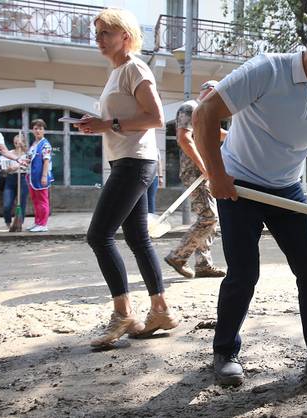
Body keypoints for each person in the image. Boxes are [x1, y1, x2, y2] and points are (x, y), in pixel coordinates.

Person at [194, 19, 307, 389]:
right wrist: (216, 174)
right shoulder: (267, 70)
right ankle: (225, 351)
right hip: (239, 187)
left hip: (287, 190)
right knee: (244, 273)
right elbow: (205, 113)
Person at [78, 8, 178, 347]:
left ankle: (124, 314)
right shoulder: (117, 72)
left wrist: (107, 125)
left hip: (134, 163)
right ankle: (160, 309)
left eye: (106, 32)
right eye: (97, 33)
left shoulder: (135, 67)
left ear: (125, 34)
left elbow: (156, 118)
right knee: (138, 239)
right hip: (128, 161)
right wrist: (98, 123)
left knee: (99, 236)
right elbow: (124, 118)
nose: (100, 39)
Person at [163, 80, 227, 279]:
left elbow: (220, 134)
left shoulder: (204, 114)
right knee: (209, 217)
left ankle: (203, 264)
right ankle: (178, 256)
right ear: (209, 91)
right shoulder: (191, 107)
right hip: (195, 173)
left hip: (203, 173)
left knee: (211, 219)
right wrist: (204, 167)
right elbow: (184, 138)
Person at [25, 119, 54, 232]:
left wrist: (44, 176)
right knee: (36, 201)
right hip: (32, 176)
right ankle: (37, 222)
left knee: (42, 201)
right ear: (32, 130)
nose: (38, 131)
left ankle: (43, 224)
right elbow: (29, 158)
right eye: (36, 128)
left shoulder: (45, 144)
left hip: (40, 176)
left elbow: (46, 161)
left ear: (44, 131)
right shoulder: (34, 144)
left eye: (40, 128)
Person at [0, 132, 30, 229]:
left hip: (23, 179)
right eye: (16, 142)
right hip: (11, 179)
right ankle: (8, 223)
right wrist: (10, 169)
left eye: (20, 142)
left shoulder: (28, 155)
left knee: (22, 203)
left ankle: (19, 224)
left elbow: (31, 169)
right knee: (7, 205)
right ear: (14, 143)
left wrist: (23, 165)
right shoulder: (8, 154)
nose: (18, 144)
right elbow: (3, 171)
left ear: (24, 143)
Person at [145, 148, 163, 214]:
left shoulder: (156, 149)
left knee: (151, 198)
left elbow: (159, 163)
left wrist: (160, 176)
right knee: (141, 198)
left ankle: (151, 216)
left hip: (154, 176)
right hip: (142, 176)